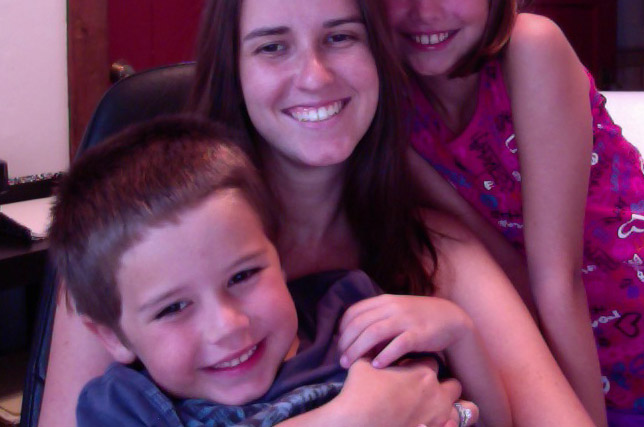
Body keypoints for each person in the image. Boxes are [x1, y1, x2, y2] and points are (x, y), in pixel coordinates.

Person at [38, 0, 595, 427]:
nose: (314, 76)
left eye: (340, 37)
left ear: (379, 55)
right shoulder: (135, 242)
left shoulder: (435, 250)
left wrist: (462, 390)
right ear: (234, 70)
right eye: (273, 47)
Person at [349, 0, 644, 427]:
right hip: (586, 358)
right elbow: (498, 263)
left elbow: (555, 276)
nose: (424, 10)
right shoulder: (387, 107)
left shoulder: (529, 49)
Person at [49, 116, 484, 426]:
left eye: (242, 276)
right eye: (174, 308)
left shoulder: (351, 312)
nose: (226, 325)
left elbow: (478, 413)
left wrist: (461, 335)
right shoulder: (125, 407)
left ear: (278, 253)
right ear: (112, 336)